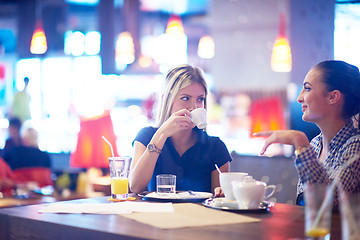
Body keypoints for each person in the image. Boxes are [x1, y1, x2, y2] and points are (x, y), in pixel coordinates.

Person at [254, 60, 360, 206]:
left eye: (308, 89)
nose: (299, 98)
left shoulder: (356, 146)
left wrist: (299, 140)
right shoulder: (315, 144)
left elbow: (322, 204)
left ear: (333, 97)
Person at [129, 64, 232, 194]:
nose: (194, 107)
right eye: (185, 98)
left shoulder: (215, 147)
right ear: (167, 101)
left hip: (198, 214)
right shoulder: (147, 136)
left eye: (200, 99)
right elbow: (135, 186)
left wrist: (224, 193)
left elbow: (219, 201)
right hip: (158, 214)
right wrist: (161, 134)